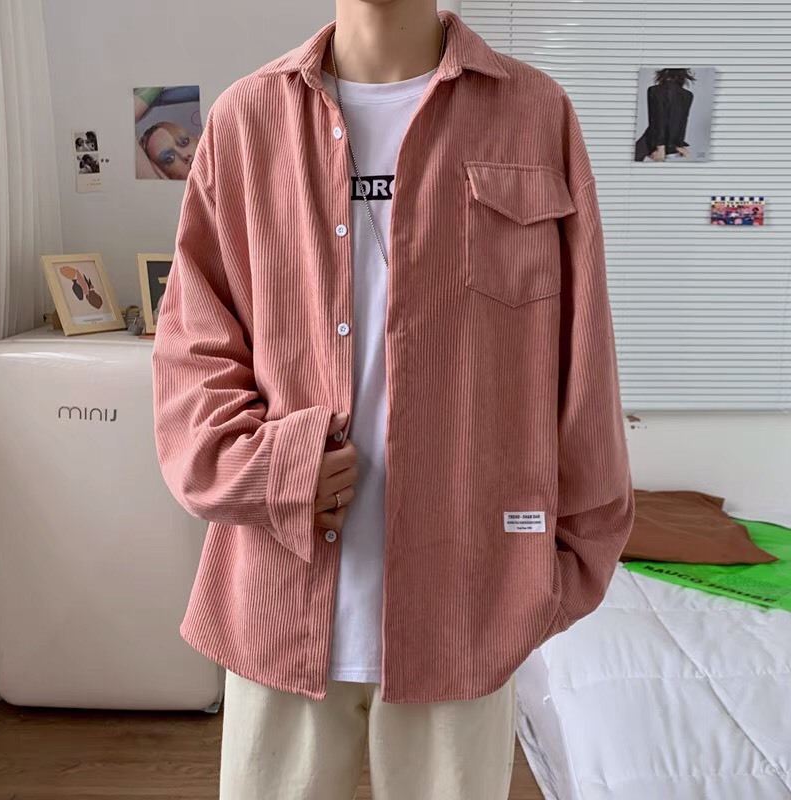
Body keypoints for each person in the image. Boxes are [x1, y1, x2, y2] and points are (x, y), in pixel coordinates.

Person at [151, 3, 635, 798]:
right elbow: (191, 350)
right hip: (279, 589)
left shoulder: (534, 115)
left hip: (469, 601)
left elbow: (583, 355)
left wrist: (566, 562)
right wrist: (273, 470)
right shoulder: (246, 119)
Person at [634, 68, 696, 162]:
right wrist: (679, 144)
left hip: (654, 139)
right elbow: (683, 122)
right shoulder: (688, 95)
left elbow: (657, 118)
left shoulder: (654, 90)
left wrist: (660, 146)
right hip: (673, 143)